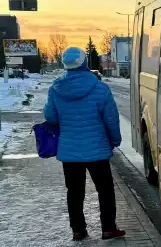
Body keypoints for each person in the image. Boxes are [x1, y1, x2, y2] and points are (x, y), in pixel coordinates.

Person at [44, 46, 126, 241]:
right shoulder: (100, 88)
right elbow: (111, 119)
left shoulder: (55, 89)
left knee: (74, 192)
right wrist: (115, 140)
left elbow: (51, 117)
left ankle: (78, 230)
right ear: (85, 63)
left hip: (69, 151)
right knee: (105, 190)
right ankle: (108, 228)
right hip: (97, 150)